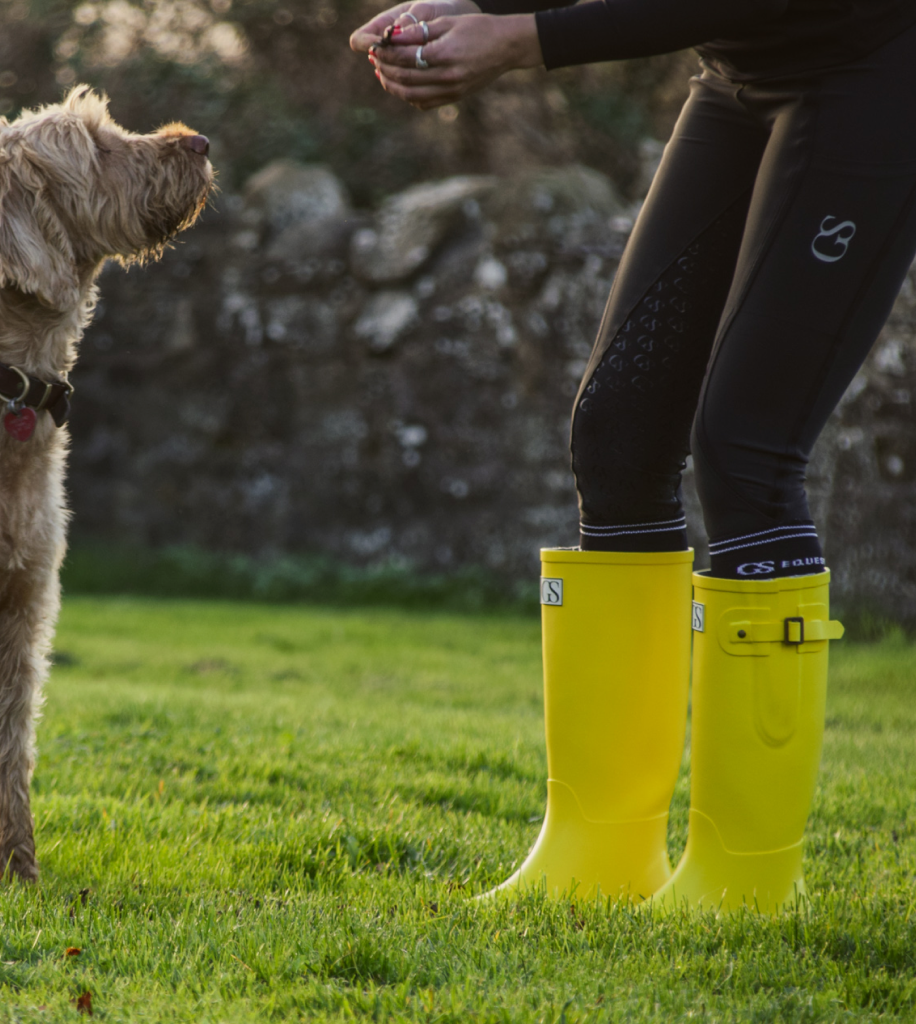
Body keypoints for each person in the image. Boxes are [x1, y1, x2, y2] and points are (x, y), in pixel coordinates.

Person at [351, 0, 916, 910]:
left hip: (872, 66)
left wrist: (524, 39)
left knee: (745, 447)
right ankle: (597, 850)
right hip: (736, 75)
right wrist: (480, 16)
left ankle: (743, 882)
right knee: (617, 433)